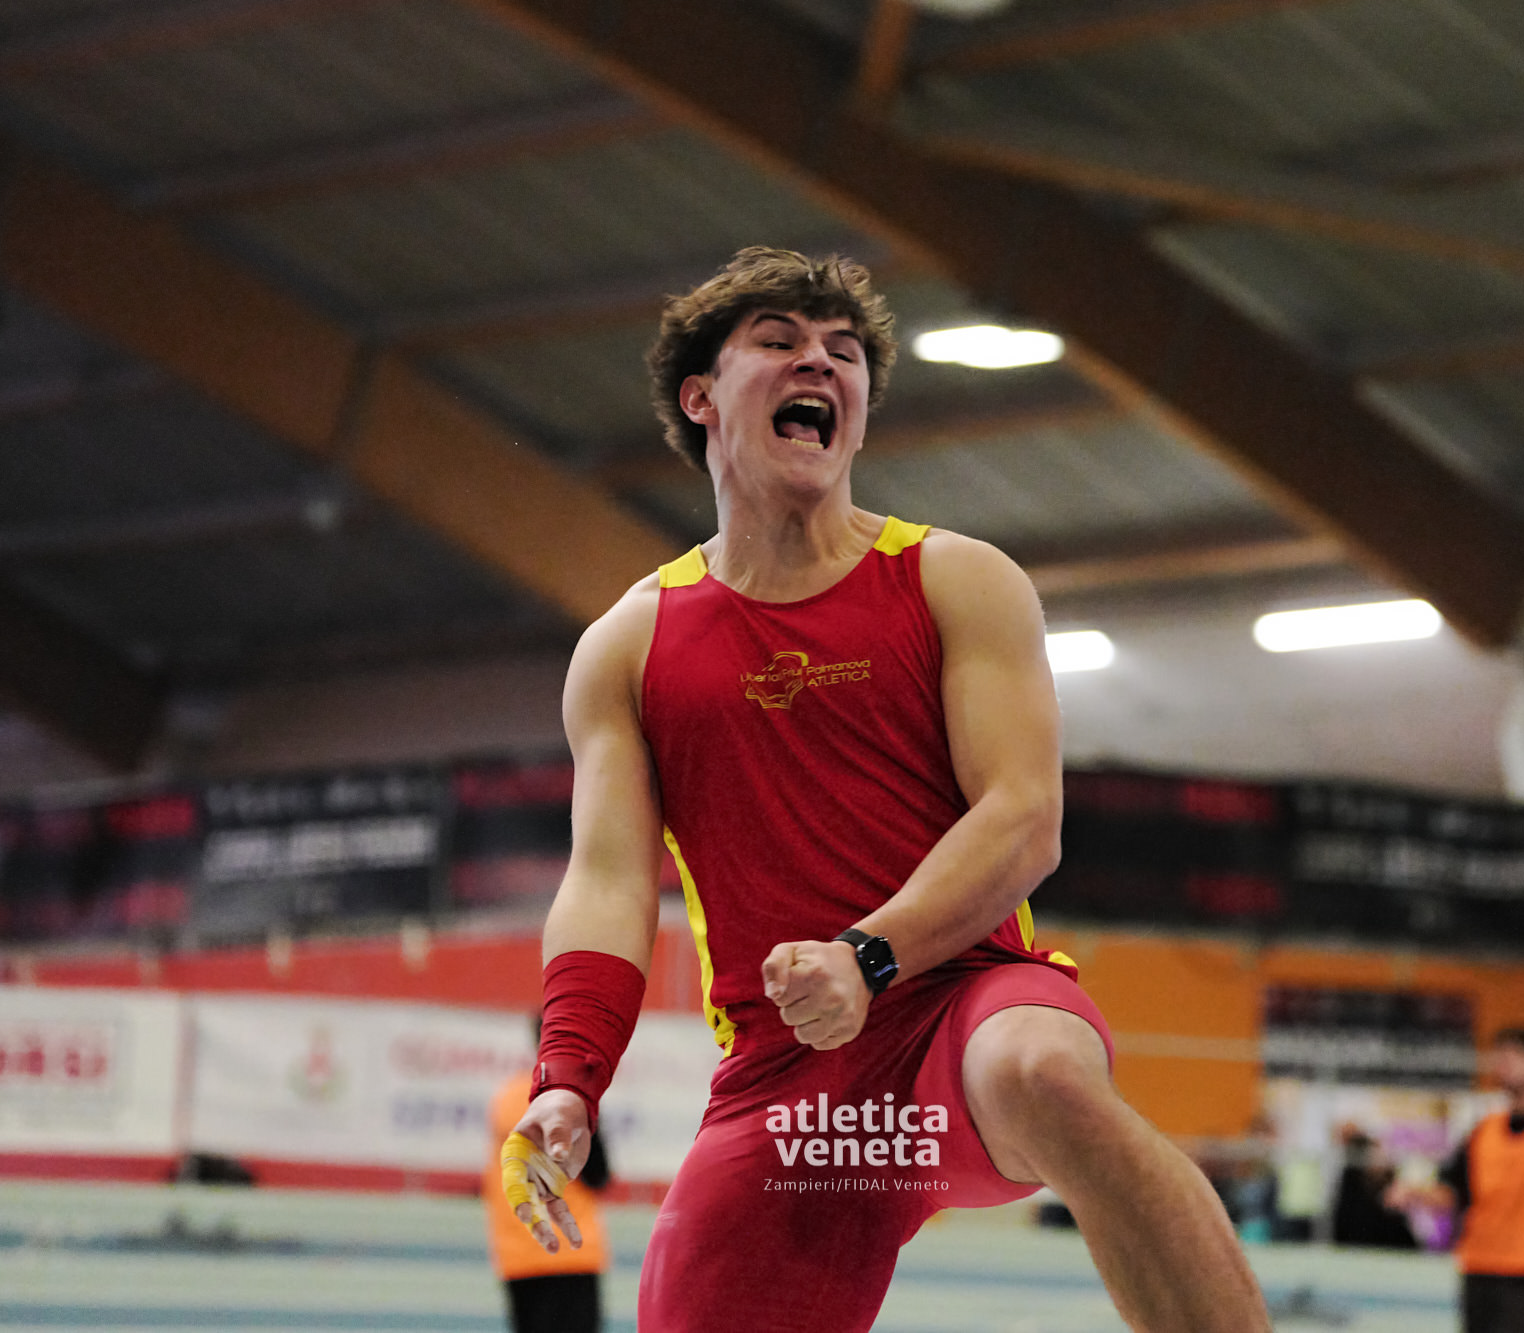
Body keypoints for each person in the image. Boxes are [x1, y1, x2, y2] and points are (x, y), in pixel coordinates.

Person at [503, 248, 1269, 1333]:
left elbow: (1023, 817)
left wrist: (866, 956)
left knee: (1046, 1073)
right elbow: (607, 881)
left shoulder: (957, 580)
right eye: (779, 341)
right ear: (701, 397)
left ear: (858, 411)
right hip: (790, 1086)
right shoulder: (628, 647)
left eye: (845, 352)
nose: (820, 361)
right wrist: (568, 1075)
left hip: (962, 1010)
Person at [1385, 1027, 1524, 1333]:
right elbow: (1457, 1192)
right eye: (1501, 1054)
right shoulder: (1484, 1130)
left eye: (1517, 1053)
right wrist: (1415, 1194)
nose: (1505, 1061)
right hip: (1480, 1265)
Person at [485, 1068, 610, 1331]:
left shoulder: (507, 1097)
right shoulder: (573, 1097)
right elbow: (598, 1174)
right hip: (572, 1250)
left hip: (517, 1253)